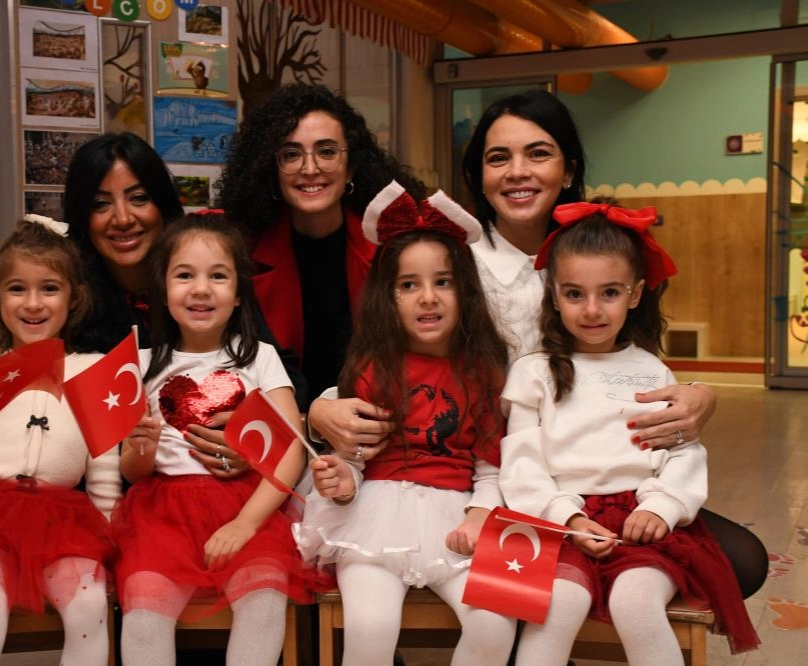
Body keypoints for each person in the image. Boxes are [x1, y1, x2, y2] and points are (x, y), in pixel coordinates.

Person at [311, 89, 768, 598]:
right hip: (485, 474)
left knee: (743, 562)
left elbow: (629, 368)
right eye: (497, 158)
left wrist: (700, 394)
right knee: (523, 596)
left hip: (586, 473)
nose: (517, 172)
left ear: (568, 170)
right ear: (478, 175)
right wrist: (322, 407)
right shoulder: (452, 263)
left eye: (538, 153)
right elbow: (385, 357)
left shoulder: (598, 253)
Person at [498, 203, 759, 664]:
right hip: (557, 522)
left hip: (639, 521)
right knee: (557, 605)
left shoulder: (651, 370)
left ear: (635, 294)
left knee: (635, 604)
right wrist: (566, 518)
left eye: (610, 292)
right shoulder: (533, 372)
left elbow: (682, 451)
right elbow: (521, 463)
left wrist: (661, 506)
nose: (592, 309)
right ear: (553, 295)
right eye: (574, 293)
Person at [0, 134, 275, 478]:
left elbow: (280, 385)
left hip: (221, 480)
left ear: (163, 203)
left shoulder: (207, 291)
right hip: (111, 486)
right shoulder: (70, 300)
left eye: (139, 198)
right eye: (100, 204)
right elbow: (22, 380)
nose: (122, 218)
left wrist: (255, 434)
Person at [295, 182, 516, 665]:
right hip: (374, 515)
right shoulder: (372, 369)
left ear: (466, 291)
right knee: (372, 627)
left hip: (457, 519)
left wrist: (480, 515)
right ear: (387, 297)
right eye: (409, 285)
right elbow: (356, 460)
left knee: (495, 623)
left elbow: (491, 468)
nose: (427, 298)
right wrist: (342, 483)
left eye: (443, 282)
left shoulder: (484, 371)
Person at [114, 214, 322, 666]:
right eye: (184, 275)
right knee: (144, 614)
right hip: (161, 517)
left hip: (247, 507)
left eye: (218, 276)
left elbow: (291, 447)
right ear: (162, 289)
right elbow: (132, 471)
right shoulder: (140, 364)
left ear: (240, 292)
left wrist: (245, 524)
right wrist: (141, 446)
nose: (201, 289)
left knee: (264, 603)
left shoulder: (260, 358)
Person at [0, 217, 120, 666]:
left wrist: (110, 533)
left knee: (89, 607)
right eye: (17, 289)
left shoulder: (94, 371)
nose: (33, 303)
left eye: (49, 288)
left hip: (64, 523)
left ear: (74, 298)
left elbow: (104, 464)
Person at [218, 83, 426, 402]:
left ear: (351, 167)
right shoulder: (241, 254)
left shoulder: (393, 249)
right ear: (272, 170)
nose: (310, 169)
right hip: (279, 420)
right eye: (291, 155)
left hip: (379, 417)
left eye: (327, 152)